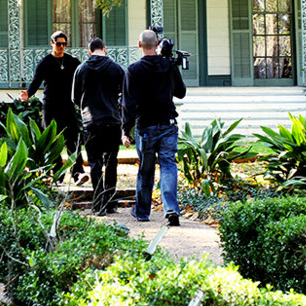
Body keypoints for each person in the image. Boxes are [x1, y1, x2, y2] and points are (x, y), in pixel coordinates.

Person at [122, 29, 186, 226]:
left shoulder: (133, 70)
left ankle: (142, 212)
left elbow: (128, 104)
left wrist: (125, 130)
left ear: (139, 45)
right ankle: (171, 210)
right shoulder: (168, 65)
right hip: (167, 123)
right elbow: (181, 93)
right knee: (168, 165)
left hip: (146, 126)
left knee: (146, 169)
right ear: (156, 43)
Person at [20, 31, 87, 185]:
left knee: (73, 139)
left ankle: (78, 173)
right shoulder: (45, 63)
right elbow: (36, 81)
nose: (62, 47)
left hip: (68, 105)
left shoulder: (72, 61)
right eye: (59, 44)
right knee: (52, 140)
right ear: (52, 43)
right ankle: (57, 174)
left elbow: (82, 78)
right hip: (50, 105)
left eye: (64, 44)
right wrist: (28, 94)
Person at [72, 37, 125, 215]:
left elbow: (74, 97)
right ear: (105, 48)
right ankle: (111, 202)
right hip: (112, 119)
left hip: (91, 121)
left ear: (89, 51)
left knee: (95, 162)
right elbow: (124, 93)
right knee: (111, 162)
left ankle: (98, 204)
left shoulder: (81, 69)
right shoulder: (116, 69)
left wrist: (86, 105)